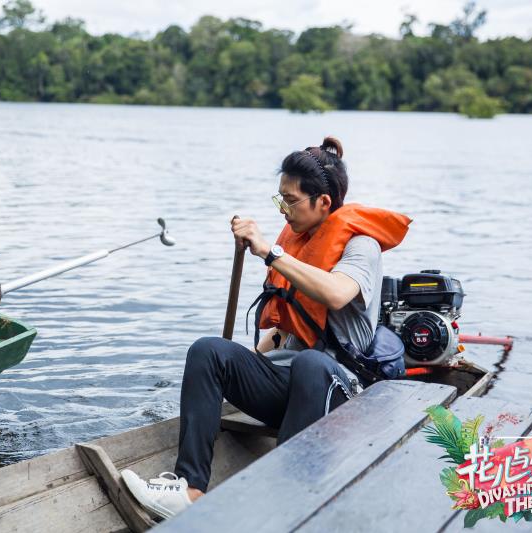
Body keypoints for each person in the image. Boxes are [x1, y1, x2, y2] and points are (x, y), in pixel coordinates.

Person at [121, 136, 411, 519]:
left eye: (290, 201)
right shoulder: (298, 241)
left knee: (311, 363)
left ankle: (281, 502)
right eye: (281, 198)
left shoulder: (361, 246)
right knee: (209, 351)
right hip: (289, 393)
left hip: (341, 397)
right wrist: (234, 369)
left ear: (323, 202)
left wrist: (269, 252)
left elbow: (337, 294)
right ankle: (189, 490)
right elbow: (286, 328)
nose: (283, 211)